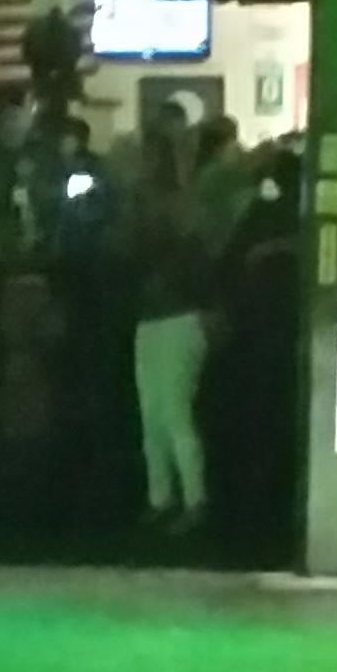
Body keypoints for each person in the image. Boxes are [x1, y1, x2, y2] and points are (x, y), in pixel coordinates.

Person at [124, 120, 219, 534]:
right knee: (168, 413)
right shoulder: (186, 206)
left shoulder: (157, 208)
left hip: (165, 318)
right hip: (176, 318)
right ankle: (177, 499)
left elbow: (140, 251)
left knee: (164, 414)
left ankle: (178, 500)